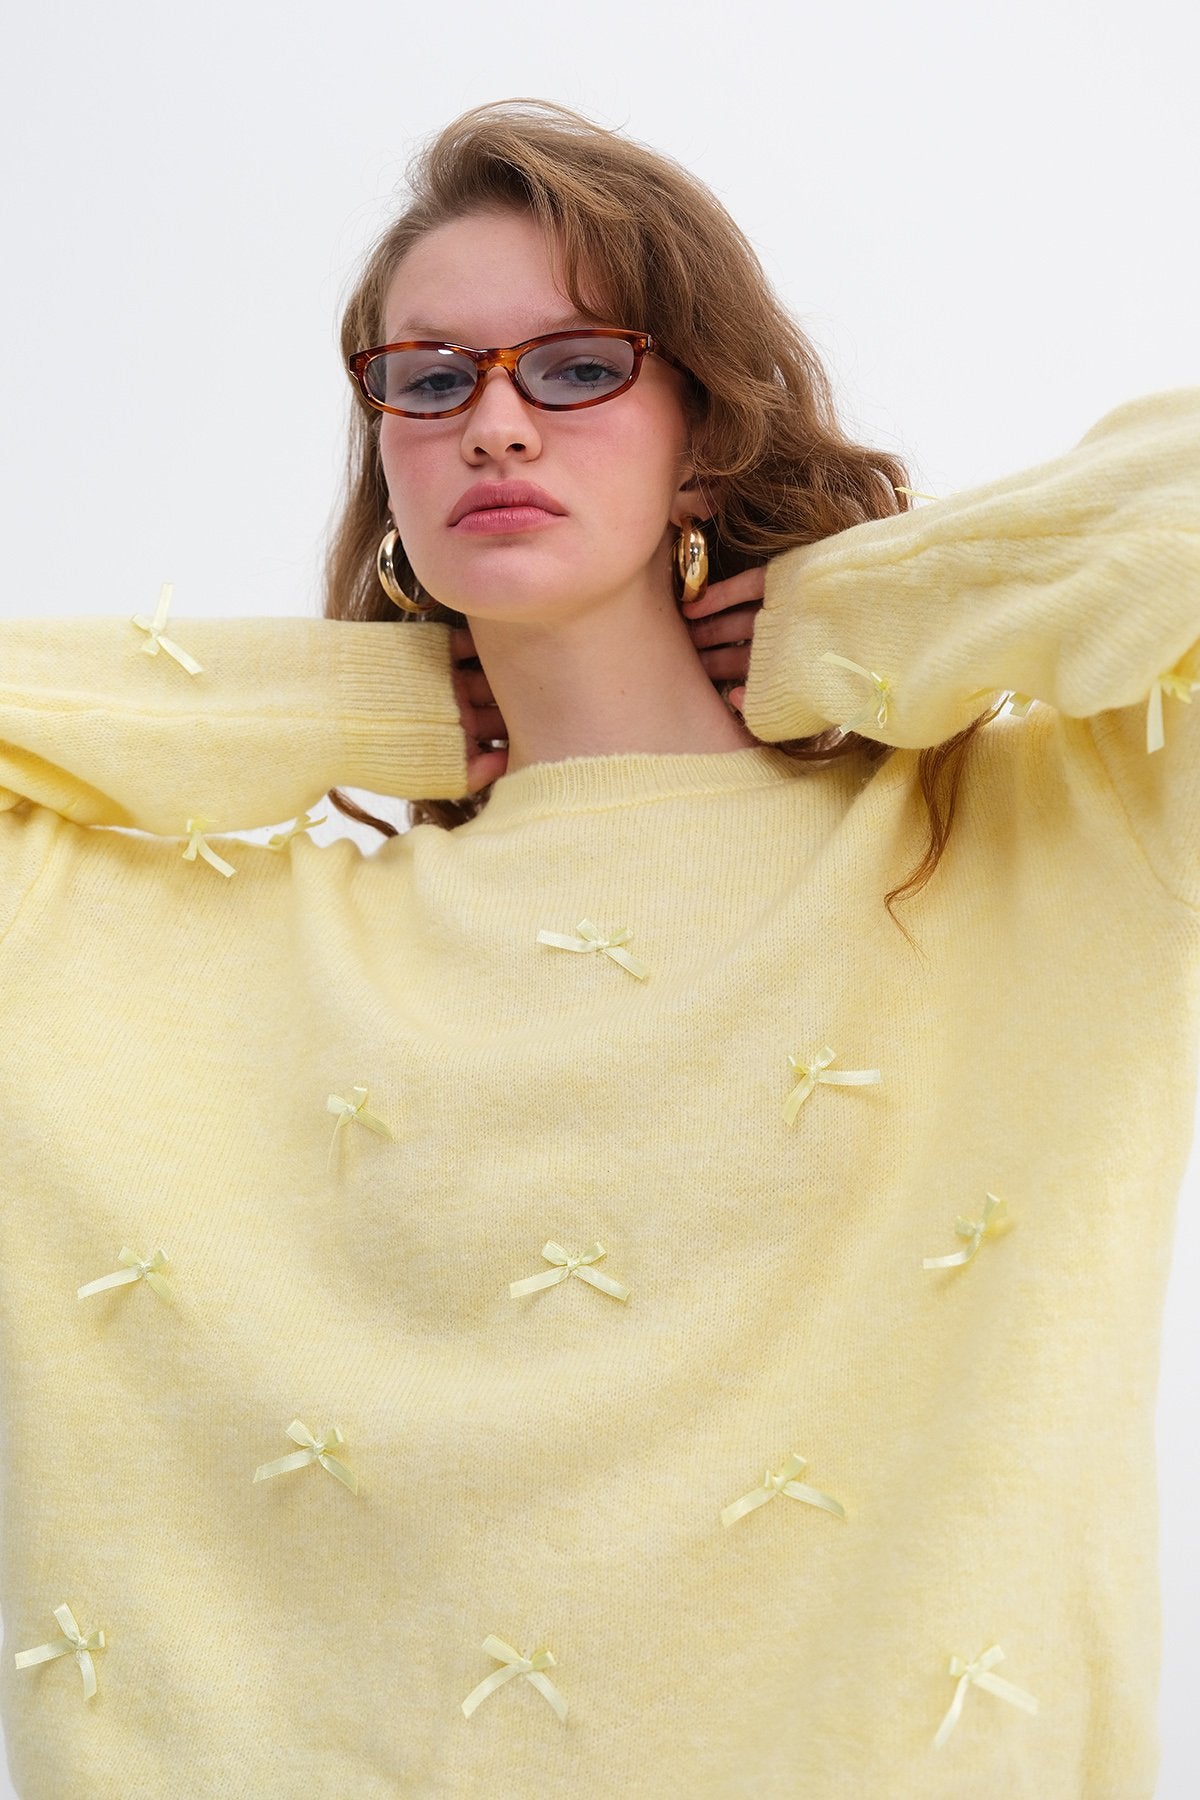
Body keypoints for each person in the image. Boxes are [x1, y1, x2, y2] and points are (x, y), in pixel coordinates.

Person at [0, 96, 1196, 1799]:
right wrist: (365, 703)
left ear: (703, 428)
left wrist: (875, 614)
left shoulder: (1033, 834)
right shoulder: (239, 948)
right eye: (430, 380)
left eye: (575, 368)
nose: (495, 424)